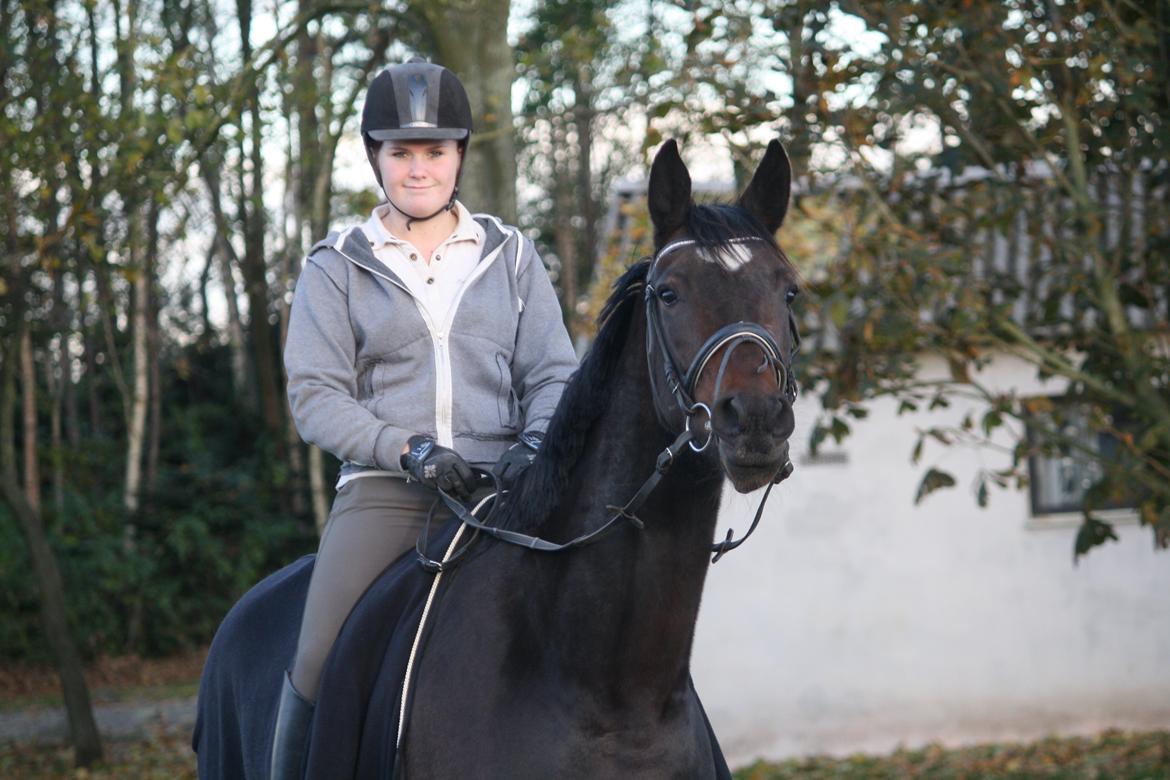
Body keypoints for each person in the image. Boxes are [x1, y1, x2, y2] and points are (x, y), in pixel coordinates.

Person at [271, 57, 577, 777]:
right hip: (388, 492)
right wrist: (405, 449)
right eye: (400, 152)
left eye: (434, 151)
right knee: (317, 656)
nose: (418, 169)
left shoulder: (511, 255)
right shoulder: (336, 266)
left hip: (507, 487)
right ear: (375, 156)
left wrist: (534, 444)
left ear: (459, 156)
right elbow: (316, 395)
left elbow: (555, 372)